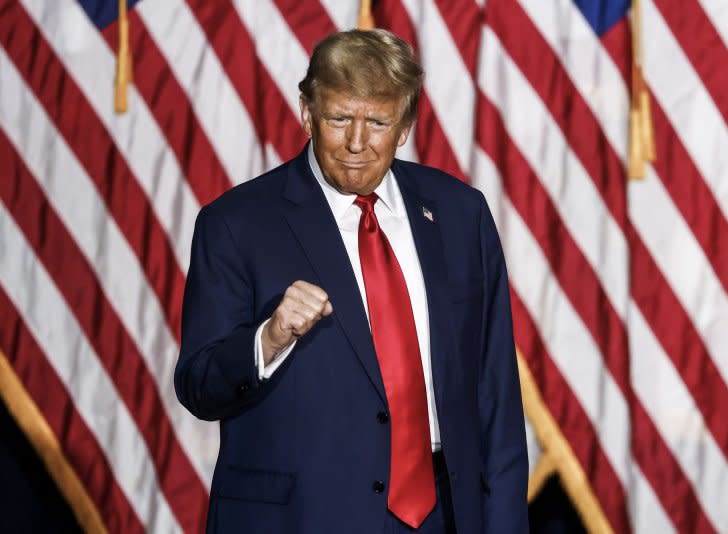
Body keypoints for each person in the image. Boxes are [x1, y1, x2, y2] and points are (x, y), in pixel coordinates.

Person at [174, 29, 528, 533]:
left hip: (443, 518)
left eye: (378, 122)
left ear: (404, 126)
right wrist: (268, 339)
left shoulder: (459, 214)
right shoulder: (236, 223)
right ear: (307, 112)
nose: (357, 143)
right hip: (302, 518)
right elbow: (198, 386)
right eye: (340, 118)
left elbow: (496, 397)